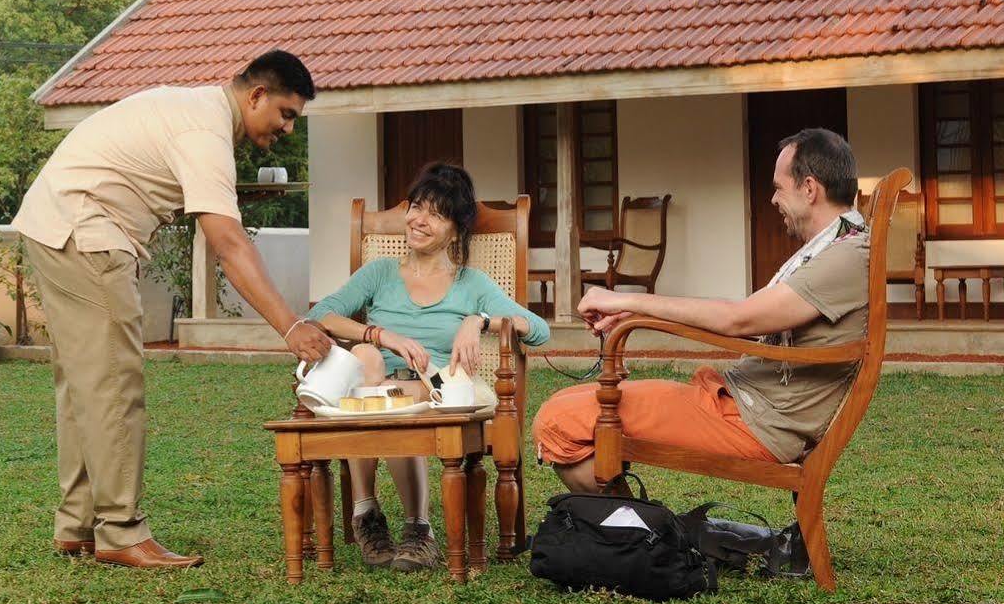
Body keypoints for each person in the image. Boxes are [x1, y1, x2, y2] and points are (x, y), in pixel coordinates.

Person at [11, 49, 333, 570]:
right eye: (286, 114)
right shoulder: (205, 135)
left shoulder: (198, 111)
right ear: (255, 96)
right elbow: (229, 244)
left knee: (85, 383)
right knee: (115, 382)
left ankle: (79, 524)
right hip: (86, 229)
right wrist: (291, 326)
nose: (289, 129)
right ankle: (119, 530)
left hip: (56, 222)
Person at [535, 128, 870, 491]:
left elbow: (738, 319)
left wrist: (624, 299)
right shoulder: (835, 247)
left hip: (752, 421)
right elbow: (747, 320)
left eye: (778, 187)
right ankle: (635, 535)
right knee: (568, 405)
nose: (773, 199)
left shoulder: (845, 257)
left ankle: (638, 539)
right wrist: (634, 317)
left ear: (809, 188)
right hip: (737, 402)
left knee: (558, 420)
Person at [307, 162, 549, 571]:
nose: (419, 220)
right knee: (365, 360)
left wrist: (479, 320)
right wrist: (381, 336)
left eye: (435, 214)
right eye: (416, 207)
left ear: (456, 228)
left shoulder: (471, 283)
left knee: (391, 394)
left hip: (432, 385)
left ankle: (418, 528)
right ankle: (367, 513)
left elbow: (539, 330)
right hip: (375, 380)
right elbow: (325, 314)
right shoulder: (381, 272)